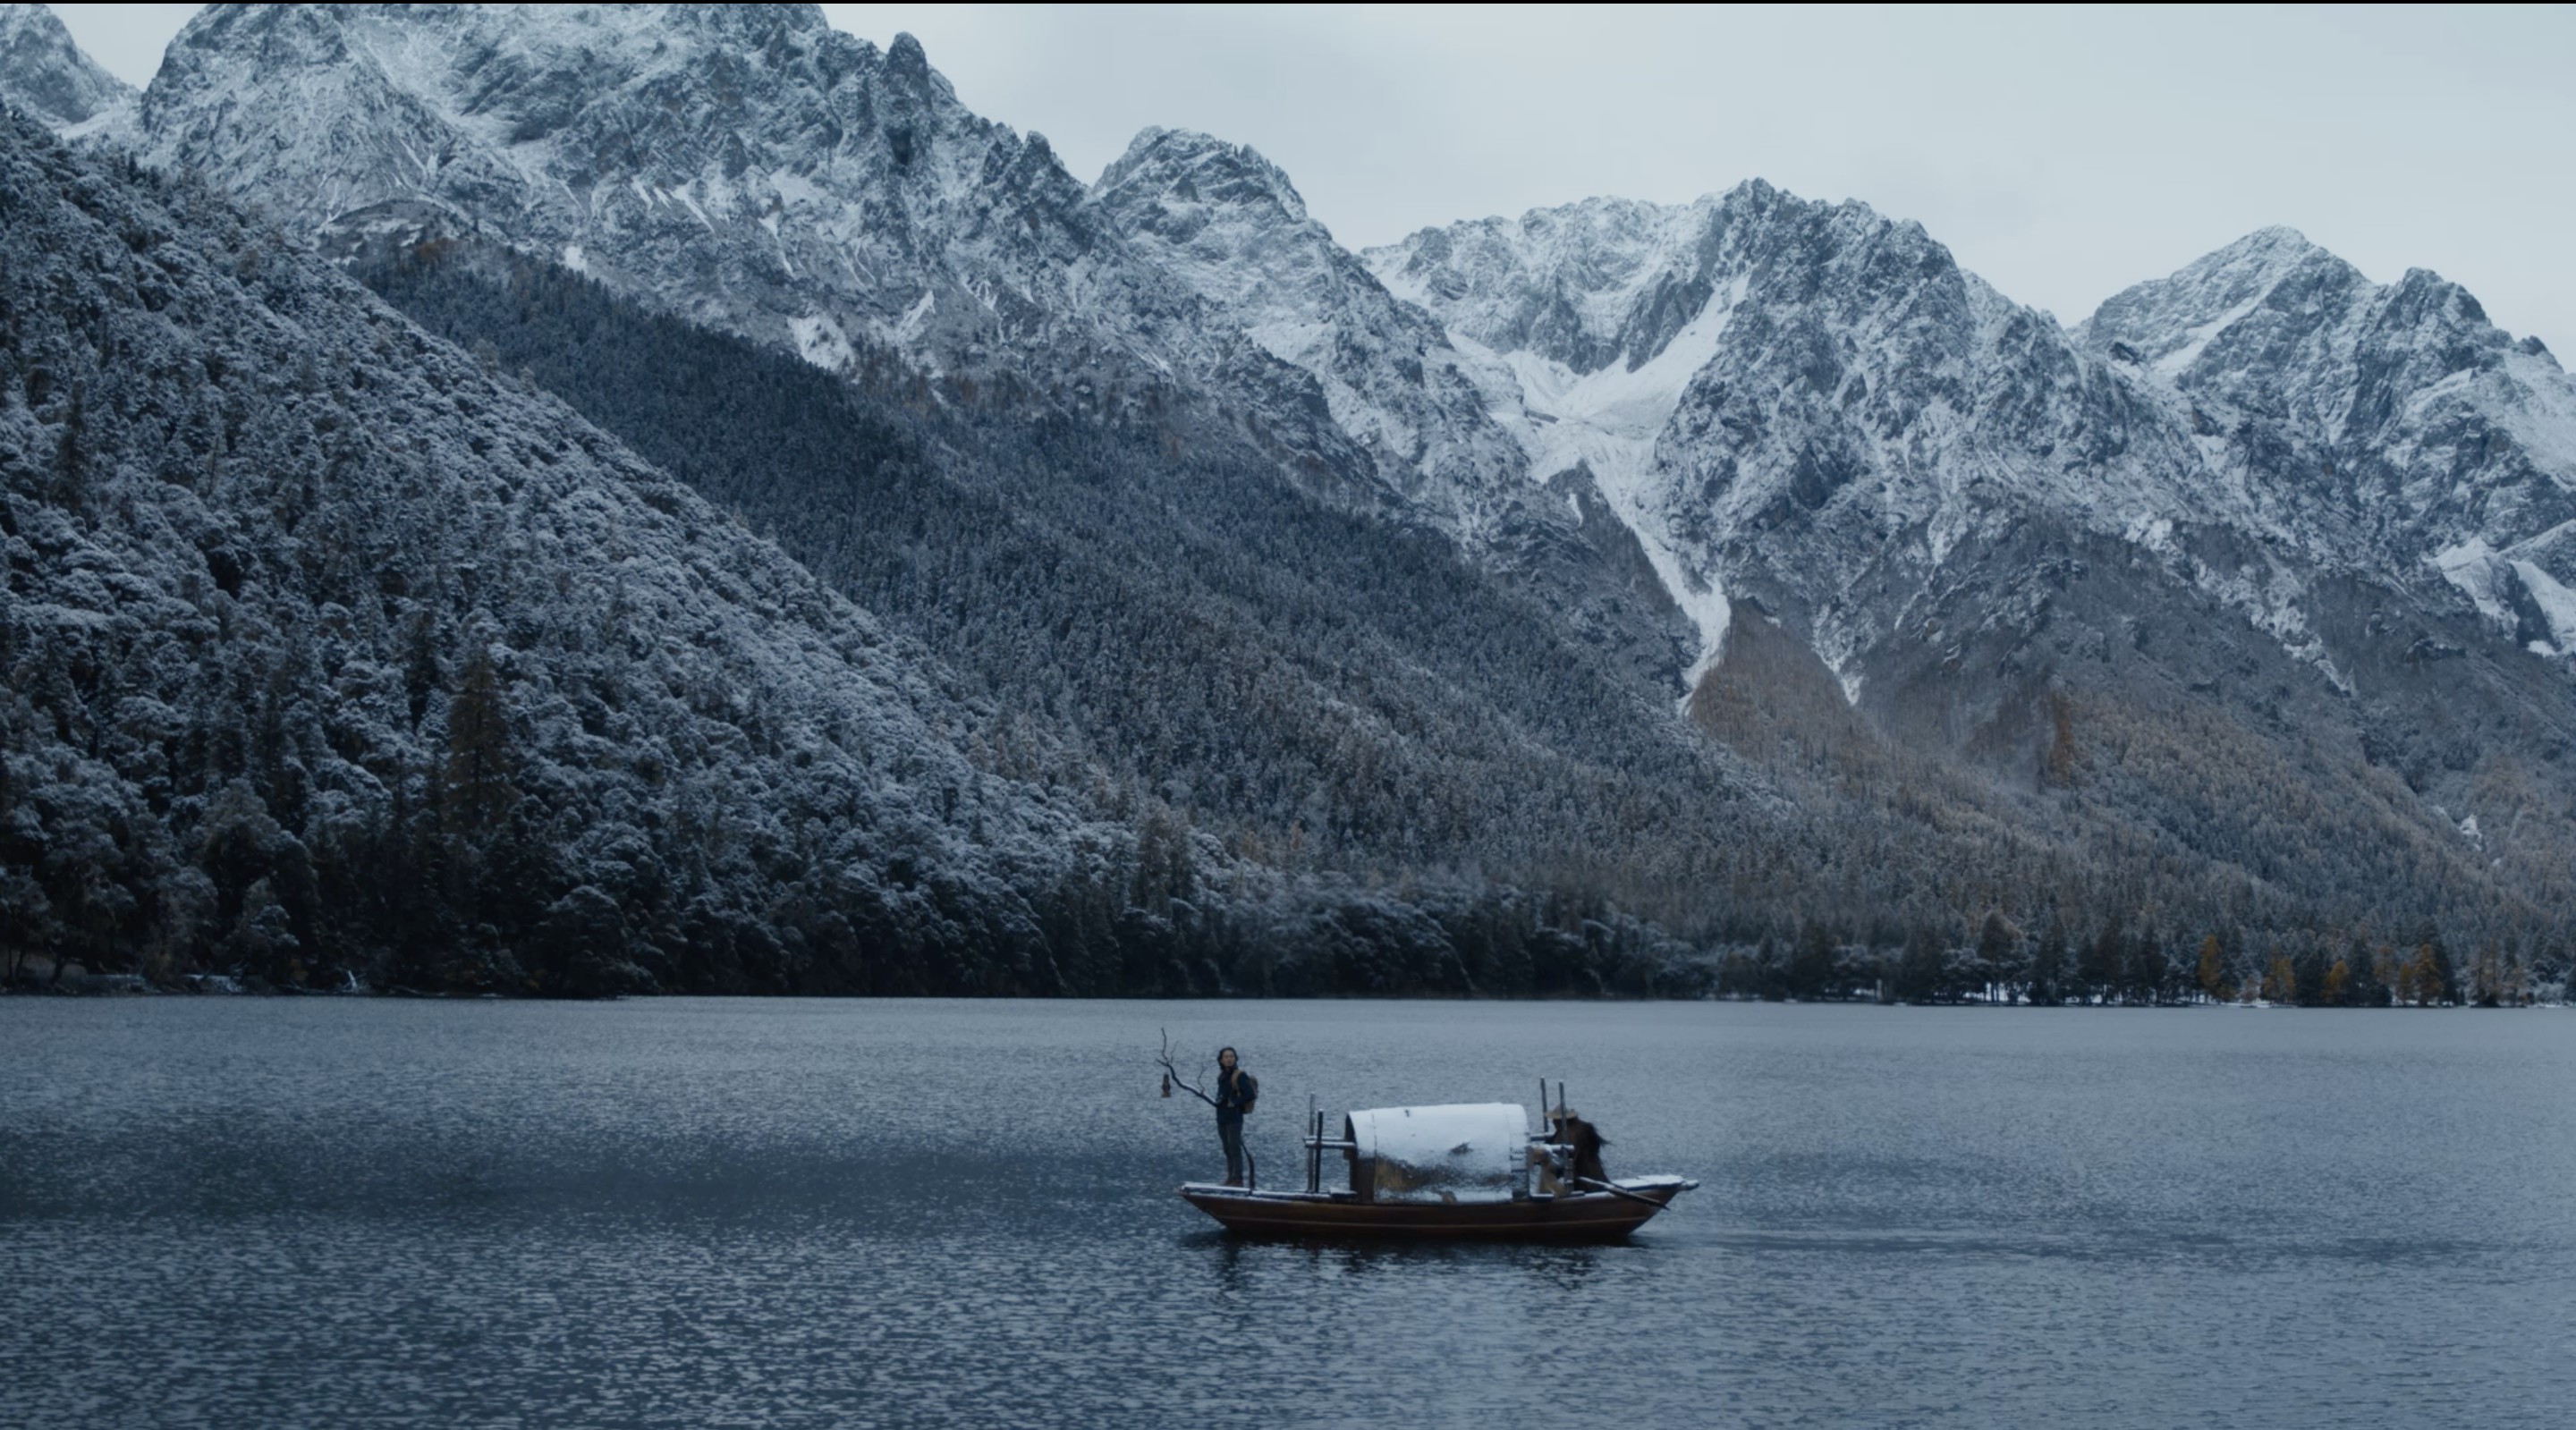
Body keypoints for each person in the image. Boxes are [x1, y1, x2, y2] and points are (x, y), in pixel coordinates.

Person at [1214, 1046, 1258, 1187]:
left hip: (1235, 1117)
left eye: (1231, 1056)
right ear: (1221, 1060)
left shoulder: (1239, 1075)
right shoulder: (1222, 1076)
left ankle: (1237, 1179)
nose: (1229, 1059)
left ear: (1235, 1058)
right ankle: (1230, 1176)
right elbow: (1223, 1094)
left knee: (1234, 1148)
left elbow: (1251, 1094)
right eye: (1226, 1057)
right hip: (1222, 1116)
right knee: (1227, 1148)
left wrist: (1235, 1102)